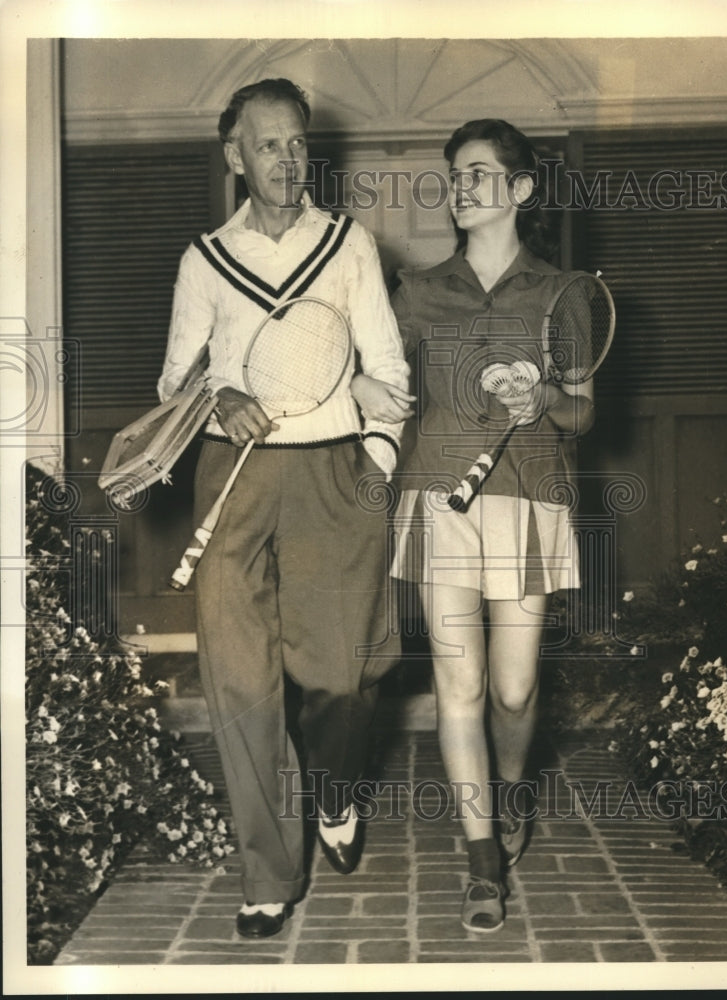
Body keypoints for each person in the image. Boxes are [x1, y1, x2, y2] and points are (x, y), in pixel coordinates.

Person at [158, 78, 412, 939]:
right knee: (239, 680)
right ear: (235, 156)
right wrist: (219, 394)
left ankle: (336, 793)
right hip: (232, 479)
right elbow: (174, 378)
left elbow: (390, 371)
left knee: (341, 677)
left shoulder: (348, 244)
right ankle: (267, 874)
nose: (287, 159)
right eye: (268, 144)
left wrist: (372, 472)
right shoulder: (203, 259)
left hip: (333, 477)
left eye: (298, 143)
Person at [352, 119, 595, 933]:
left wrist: (546, 402)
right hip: (435, 499)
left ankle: (513, 785)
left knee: (514, 689)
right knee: (457, 690)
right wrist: (364, 392)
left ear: (521, 191)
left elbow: (583, 411)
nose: (459, 187)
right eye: (454, 174)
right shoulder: (416, 292)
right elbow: (381, 381)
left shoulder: (562, 294)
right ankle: (481, 859)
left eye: (478, 174)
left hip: (529, 499)